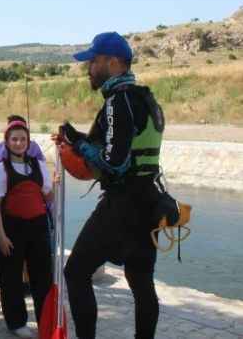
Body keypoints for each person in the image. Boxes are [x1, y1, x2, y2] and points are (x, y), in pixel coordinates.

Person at [57, 32, 165, 339]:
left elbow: (114, 161)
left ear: (113, 62)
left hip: (122, 205)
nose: (88, 68)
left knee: (75, 273)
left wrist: (78, 144)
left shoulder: (119, 102)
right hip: (150, 202)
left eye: (93, 61)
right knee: (141, 282)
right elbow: (129, 148)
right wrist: (80, 138)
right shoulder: (148, 100)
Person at [0, 120, 53, 338]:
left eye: (23, 139)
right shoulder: (1, 169)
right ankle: (16, 323)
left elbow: (48, 197)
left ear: (28, 142)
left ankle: (46, 319)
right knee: (11, 278)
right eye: (14, 139)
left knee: (43, 277)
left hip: (38, 227)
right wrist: (1, 236)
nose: (19, 143)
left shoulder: (39, 165)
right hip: (12, 228)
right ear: (7, 142)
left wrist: (56, 184)